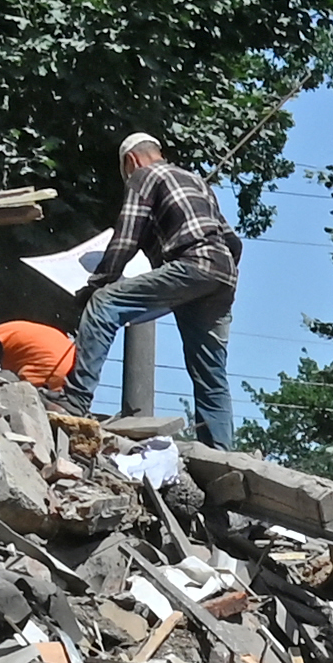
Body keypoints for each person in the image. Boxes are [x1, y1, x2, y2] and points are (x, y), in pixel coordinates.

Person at [69, 133, 238, 437]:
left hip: (192, 265)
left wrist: (96, 284)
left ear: (130, 161)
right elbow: (233, 243)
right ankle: (221, 454)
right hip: (222, 276)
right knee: (210, 372)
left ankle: (74, 400)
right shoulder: (197, 181)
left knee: (104, 303)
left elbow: (126, 238)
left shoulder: (144, 176)